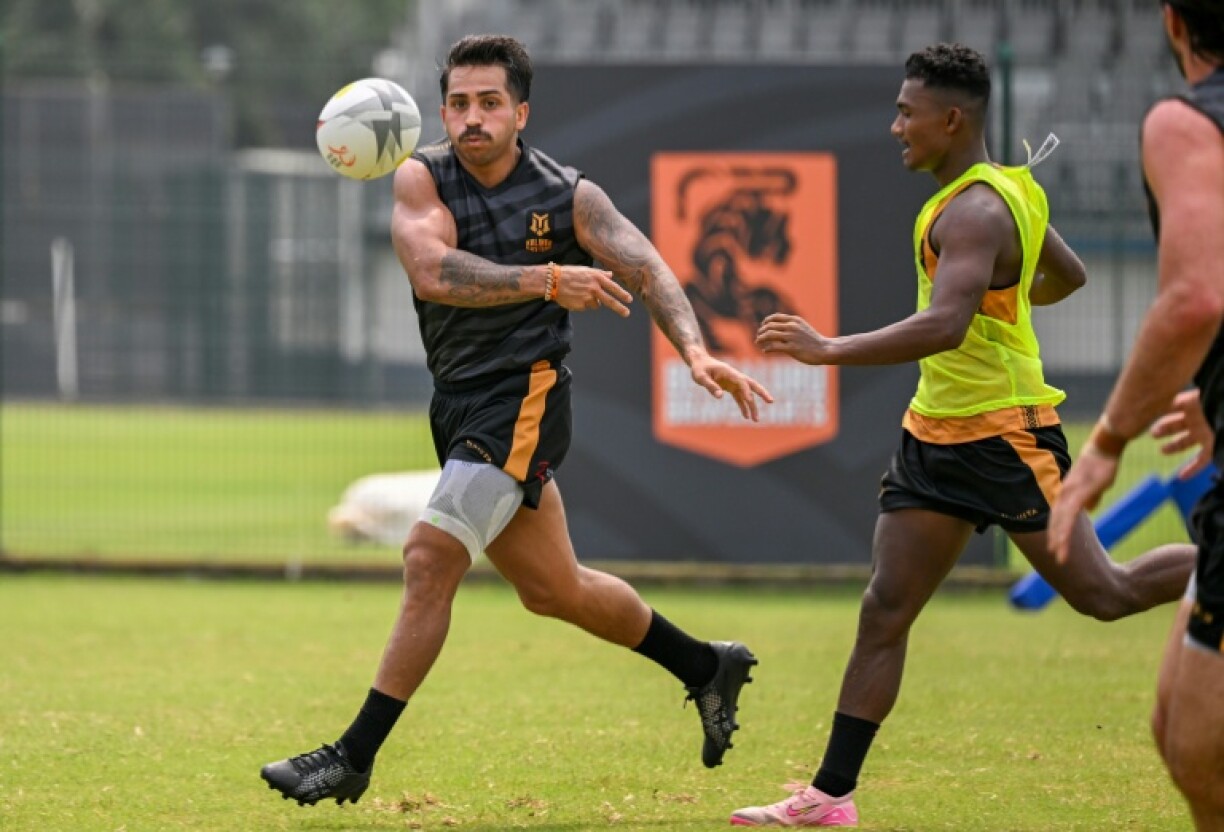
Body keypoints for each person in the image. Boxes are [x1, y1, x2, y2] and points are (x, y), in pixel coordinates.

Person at [259, 34, 773, 807]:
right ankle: (706, 665)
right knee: (555, 589)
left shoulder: (569, 195)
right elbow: (433, 273)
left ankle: (351, 756)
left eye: (490, 103)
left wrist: (695, 353)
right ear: (441, 111)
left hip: (525, 397)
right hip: (461, 400)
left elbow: (647, 264)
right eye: (459, 104)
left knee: (430, 558)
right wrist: (547, 276)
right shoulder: (420, 177)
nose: (473, 118)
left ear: (521, 111)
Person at [730, 43, 1197, 827]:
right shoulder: (1002, 192)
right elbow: (1067, 276)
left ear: (951, 119)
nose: (895, 127)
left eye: (908, 113)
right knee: (885, 608)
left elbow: (947, 324)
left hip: (1004, 436)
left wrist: (829, 348)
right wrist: (1007, 297)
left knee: (1103, 593)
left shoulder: (978, 209)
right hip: (935, 434)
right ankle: (830, 796)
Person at [1049, 2, 1224, 827]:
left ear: (1171, 22)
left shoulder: (1184, 121)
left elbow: (1192, 300)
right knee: (1176, 728)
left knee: (1196, 744)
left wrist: (1109, 440)